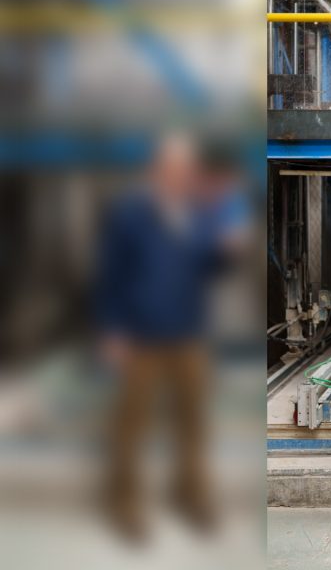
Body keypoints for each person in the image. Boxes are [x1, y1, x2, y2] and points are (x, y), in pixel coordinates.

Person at [96, 132, 248, 542]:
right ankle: (124, 503)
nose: (180, 175)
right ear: (156, 170)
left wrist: (224, 252)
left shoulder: (199, 213)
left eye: (186, 168)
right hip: (140, 336)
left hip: (188, 333)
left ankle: (189, 495)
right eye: (172, 167)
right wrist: (112, 329)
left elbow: (206, 270)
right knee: (133, 425)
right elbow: (110, 274)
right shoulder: (130, 213)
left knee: (193, 422)